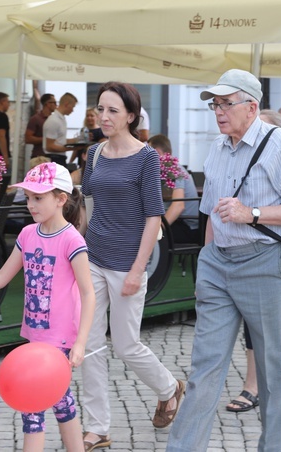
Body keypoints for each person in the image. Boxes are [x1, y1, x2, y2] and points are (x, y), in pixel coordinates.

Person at [167, 69, 281, 452]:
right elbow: (212, 216)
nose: (218, 111)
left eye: (225, 103)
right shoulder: (217, 147)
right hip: (218, 263)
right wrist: (206, 261)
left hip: (265, 263)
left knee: (271, 370)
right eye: (214, 104)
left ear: (251, 106)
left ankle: (273, 446)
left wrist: (251, 213)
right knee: (204, 367)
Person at [0, 162, 95, 452]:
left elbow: (88, 293)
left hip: (60, 338)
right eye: (29, 197)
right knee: (61, 400)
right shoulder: (27, 235)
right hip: (35, 336)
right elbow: (0, 278)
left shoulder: (71, 239)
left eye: (38, 197)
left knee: (32, 405)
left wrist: (81, 342)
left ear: (61, 199)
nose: (30, 204)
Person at [81, 82, 184, 452]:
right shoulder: (93, 154)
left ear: (130, 116)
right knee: (90, 345)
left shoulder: (146, 158)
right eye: (100, 109)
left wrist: (138, 269)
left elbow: (154, 217)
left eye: (112, 110)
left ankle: (169, 387)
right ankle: (97, 428)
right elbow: (88, 204)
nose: (103, 116)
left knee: (125, 345)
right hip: (93, 259)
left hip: (128, 263)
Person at [224, 108, 281, 415]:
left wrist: (253, 213)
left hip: (275, 252)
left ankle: (255, 385)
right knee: (258, 325)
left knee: (262, 326)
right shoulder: (231, 155)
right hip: (237, 255)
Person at [148, 134, 200, 244]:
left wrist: (158, 229)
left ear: (156, 152)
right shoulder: (165, 170)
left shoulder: (173, 170)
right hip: (180, 223)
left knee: (145, 233)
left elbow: (178, 206)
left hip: (188, 227)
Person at [43, 93, 78, 166]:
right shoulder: (53, 120)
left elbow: (60, 140)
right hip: (54, 158)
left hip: (59, 158)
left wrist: (78, 140)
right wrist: (73, 148)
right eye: (72, 107)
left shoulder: (61, 119)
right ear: (66, 104)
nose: (73, 110)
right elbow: (49, 146)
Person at [25, 93, 57, 159]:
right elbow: (28, 138)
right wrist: (46, 139)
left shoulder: (54, 119)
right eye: (54, 103)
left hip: (53, 155)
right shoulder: (36, 119)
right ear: (47, 104)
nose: (56, 105)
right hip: (39, 156)